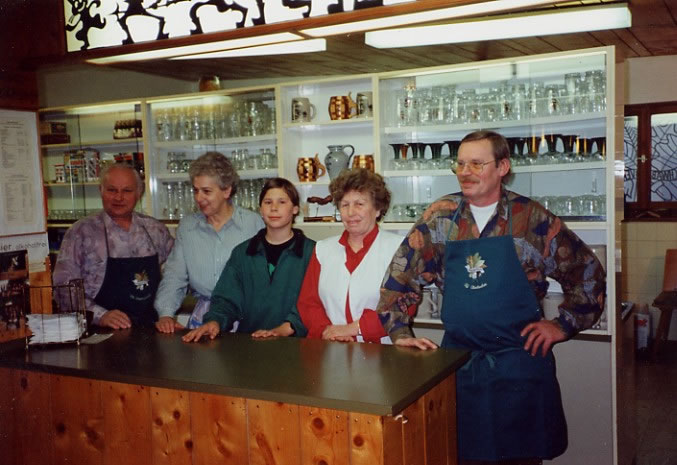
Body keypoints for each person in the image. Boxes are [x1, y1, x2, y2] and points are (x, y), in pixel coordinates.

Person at [375, 130, 606, 464]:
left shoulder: (532, 218)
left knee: (520, 458)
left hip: (520, 364)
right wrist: (399, 333)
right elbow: (399, 277)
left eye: (476, 164)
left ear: (502, 167)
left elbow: (588, 274)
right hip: (460, 365)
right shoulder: (440, 217)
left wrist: (562, 325)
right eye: (460, 164)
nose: (465, 172)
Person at [182, 178, 314, 342]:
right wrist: (215, 321)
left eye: (282, 202)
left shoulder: (312, 253)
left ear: (295, 209)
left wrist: (285, 328)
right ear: (261, 210)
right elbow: (226, 299)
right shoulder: (242, 253)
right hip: (251, 343)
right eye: (268, 202)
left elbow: (314, 303)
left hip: (296, 345)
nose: (274, 208)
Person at [53, 163, 174, 329]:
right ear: (101, 190)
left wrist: (167, 313)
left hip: (150, 328)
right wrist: (100, 315)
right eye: (111, 190)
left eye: (127, 191)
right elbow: (63, 288)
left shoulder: (155, 230)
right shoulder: (81, 232)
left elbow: (178, 274)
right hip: (100, 331)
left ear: (139, 193)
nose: (118, 197)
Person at [155, 152, 263, 333]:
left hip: (245, 315)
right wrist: (166, 313)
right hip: (204, 316)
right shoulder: (188, 227)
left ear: (226, 191)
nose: (199, 198)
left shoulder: (253, 224)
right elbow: (175, 275)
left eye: (206, 191)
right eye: (195, 190)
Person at [297, 168, 403, 343]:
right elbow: (308, 303)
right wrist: (328, 331)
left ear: (377, 209)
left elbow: (402, 304)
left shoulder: (398, 249)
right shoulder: (322, 249)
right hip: (331, 346)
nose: (351, 212)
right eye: (345, 205)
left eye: (359, 204)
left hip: (381, 350)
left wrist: (352, 329)